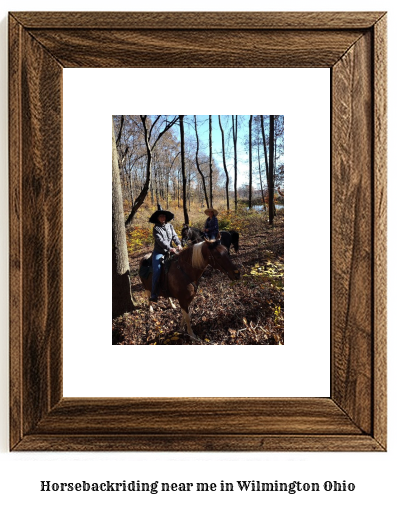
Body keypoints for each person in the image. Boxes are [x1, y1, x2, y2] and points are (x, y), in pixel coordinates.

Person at [148, 205, 182, 302]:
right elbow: (160, 241)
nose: (163, 218)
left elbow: (174, 236)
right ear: (157, 218)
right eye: (160, 216)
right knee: (157, 270)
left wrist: (178, 244)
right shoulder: (156, 229)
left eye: (164, 216)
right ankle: (154, 294)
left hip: (171, 250)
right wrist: (170, 248)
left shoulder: (170, 226)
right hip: (159, 252)